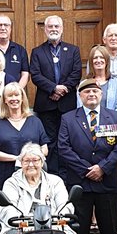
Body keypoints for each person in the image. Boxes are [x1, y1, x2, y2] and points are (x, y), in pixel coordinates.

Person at [58, 77, 117, 234]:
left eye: (95, 92)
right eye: (87, 92)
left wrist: (102, 168)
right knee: (79, 230)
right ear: (80, 96)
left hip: (107, 183)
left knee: (109, 229)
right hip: (80, 184)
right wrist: (86, 170)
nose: (91, 95)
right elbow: (63, 148)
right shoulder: (68, 118)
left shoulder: (114, 117)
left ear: (101, 95)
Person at [29, 15, 82, 170]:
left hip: (67, 105)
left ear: (62, 28)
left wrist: (62, 90)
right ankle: (52, 174)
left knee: (67, 141)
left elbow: (76, 73)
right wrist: (53, 88)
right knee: (49, 142)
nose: (53, 29)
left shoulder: (73, 50)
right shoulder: (37, 52)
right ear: (45, 29)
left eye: (56, 26)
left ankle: (66, 176)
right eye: (50, 27)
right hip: (47, 105)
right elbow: (36, 75)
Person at [0, 82, 49, 188]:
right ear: (5, 100)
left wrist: (29, 159)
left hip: (33, 173)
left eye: (16, 95)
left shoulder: (35, 121)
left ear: (22, 98)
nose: (14, 98)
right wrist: (17, 158)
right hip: (6, 174)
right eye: (10, 96)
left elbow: (45, 148)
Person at [81, 46, 117, 115]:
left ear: (106, 60)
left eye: (102, 57)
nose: (98, 60)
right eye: (95, 58)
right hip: (89, 124)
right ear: (91, 62)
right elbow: (81, 109)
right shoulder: (84, 84)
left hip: (111, 123)